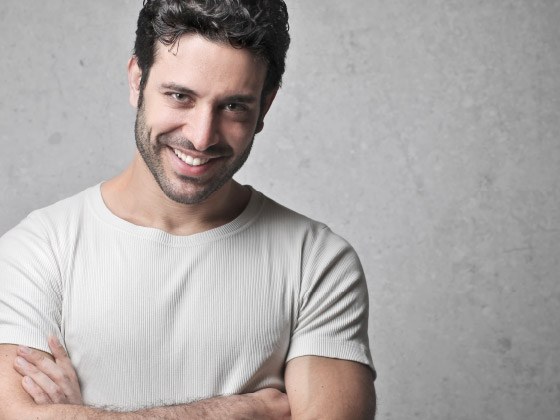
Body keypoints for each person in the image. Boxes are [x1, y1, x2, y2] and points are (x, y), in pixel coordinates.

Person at [0, 0, 376, 418]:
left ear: (265, 107)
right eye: (180, 96)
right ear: (137, 80)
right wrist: (237, 412)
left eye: (233, 106)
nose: (201, 137)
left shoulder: (316, 261)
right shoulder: (37, 251)